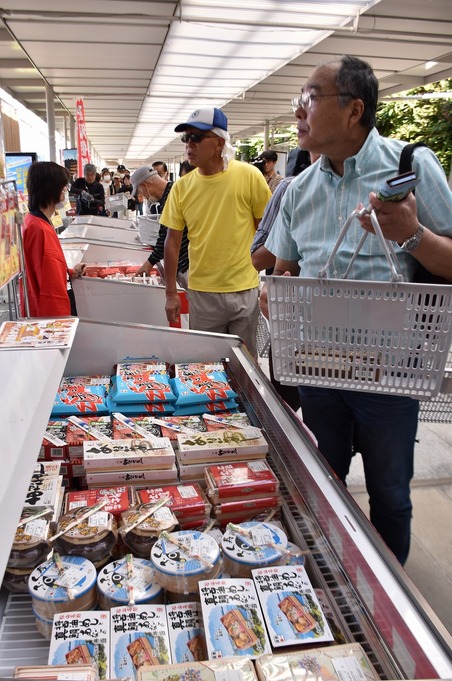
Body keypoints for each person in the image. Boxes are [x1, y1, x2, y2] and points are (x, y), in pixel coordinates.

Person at [264, 54, 452, 565]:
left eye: (310, 98)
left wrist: (411, 235)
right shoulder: (296, 189)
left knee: (390, 492)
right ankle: (332, 574)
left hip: (390, 374)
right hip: (318, 369)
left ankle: (389, 601)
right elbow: (285, 271)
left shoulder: (409, 167)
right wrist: (273, 294)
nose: (299, 111)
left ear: (354, 110)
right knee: (324, 478)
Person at [160, 107, 271, 358]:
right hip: (202, 293)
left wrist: (269, 283)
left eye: (197, 137)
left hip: (244, 290)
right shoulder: (181, 188)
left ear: (220, 142)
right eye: (186, 138)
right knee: (205, 364)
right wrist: (170, 294)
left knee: (246, 365)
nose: (189, 145)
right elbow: (172, 243)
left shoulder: (249, 176)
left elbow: (265, 233)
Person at [251, 150, 318, 411]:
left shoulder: (286, 186)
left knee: (291, 402)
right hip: (296, 321)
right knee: (292, 401)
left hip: (305, 323)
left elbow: (260, 256)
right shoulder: (292, 188)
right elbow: (262, 257)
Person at [22, 161, 86, 317]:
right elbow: (49, 287)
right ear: (51, 188)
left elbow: (45, 270)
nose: (66, 190)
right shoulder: (40, 229)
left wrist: (70, 272)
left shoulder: (34, 221)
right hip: (49, 318)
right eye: (63, 186)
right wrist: (62, 323)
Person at [132, 165, 189, 288]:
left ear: (144, 186)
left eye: (140, 192)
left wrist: (149, 263)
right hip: (185, 264)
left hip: (189, 264)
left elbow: (167, 237)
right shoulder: (169, 194)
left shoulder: (174, 195)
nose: (144, 197)